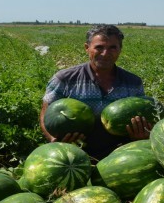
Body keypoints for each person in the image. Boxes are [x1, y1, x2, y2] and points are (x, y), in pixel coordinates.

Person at [39, 24, 151, 161]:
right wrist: (56, 141)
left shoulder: (133, 83)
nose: (105, 53)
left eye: (112, 48)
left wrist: (140, 136)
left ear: (120, 49)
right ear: (87, 48)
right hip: (73, 153)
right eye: (99, 47)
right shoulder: (64, 79)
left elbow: (142, 116)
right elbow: (46, 115)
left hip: (121, 154)